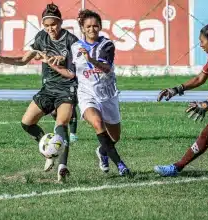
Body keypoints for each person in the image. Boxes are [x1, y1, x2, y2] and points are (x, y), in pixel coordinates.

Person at [0, 3, 79, 182]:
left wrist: (64, 58)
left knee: (61, 123)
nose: (50, 28)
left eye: (53, 24)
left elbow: (77, 65)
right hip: (48, 89)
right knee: (26, 123)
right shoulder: (41, 38)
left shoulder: (71, 40)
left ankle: (62, 166)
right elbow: (24, 60)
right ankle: (49, 150)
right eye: (46, 25)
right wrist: (2, 59)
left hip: (66, 88)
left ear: (60, 23)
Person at [154, 17, 208, 176]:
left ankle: (176, 167)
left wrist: (206, 104)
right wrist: (175, 89)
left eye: (202, 41)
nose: (200, 44)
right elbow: (200, 79)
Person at [71, 9, 130, 176]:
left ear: (100, 27)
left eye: (95, 26)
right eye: (88, 26)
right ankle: (120, 165)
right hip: (87, 95)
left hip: (108, 95)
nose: (92, 29)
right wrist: (54, 63)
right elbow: (70, 72)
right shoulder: (75, 47)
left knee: (115, 137)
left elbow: (106, 68)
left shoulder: (107, 45)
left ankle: (103, 152)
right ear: (82, 28)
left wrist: (90, 59)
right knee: (97, 123)